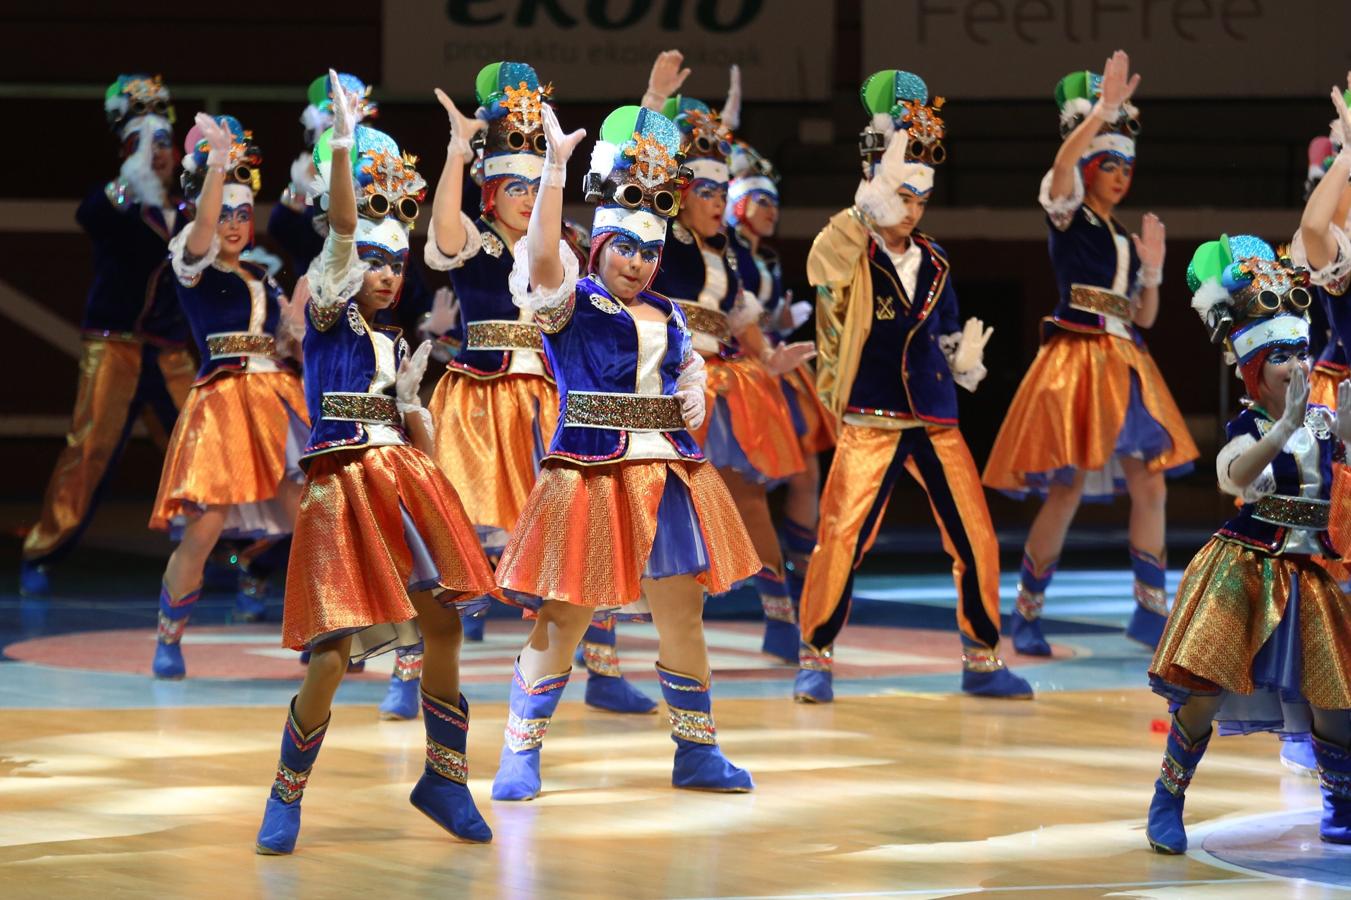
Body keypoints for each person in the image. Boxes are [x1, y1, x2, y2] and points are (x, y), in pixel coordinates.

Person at [489, 102, 762, 800]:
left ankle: (695, 751)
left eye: (648, 252)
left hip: (668, 472)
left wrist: (694, 382)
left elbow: (683, 367)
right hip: (591, 473)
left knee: (681, 613)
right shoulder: (569, 301)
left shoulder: (668, 313)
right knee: (566, 614)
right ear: (600, 245)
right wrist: (554, 170)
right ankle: (519, 751)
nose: (638, 263)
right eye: (625, 250)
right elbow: (543, 255)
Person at [255, 75, 498, 854]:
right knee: (330, 657)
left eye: (397, 263)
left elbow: (409, 433)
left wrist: (419, 420)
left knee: (443, 625)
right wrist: (340, 145)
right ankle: (285, 795)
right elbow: (338, 231)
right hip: (339, 490)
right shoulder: (326, 306)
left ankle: (444, 778)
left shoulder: (395, 342)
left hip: (399, 479)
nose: (388, 274)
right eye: (374, 260)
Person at [421, 61, 656, 716]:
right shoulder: (472, 242)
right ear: (488, 191)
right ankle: (413, 667)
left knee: (582, 528)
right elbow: (440, 231)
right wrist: (455, 150)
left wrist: (649, 105)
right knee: (455, 532)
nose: (527, 196)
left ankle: (602, 668)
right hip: (481, 400)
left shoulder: (562, 246)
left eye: (536, 184)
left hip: (553, 400)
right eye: (513, 185)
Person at [798, 69, 1031, 704]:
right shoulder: (849, 246)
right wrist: (858, 213)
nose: (913, 208)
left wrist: (965, 361)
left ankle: (982, 659)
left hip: (935, 414)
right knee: (842, 536)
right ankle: (815, 656)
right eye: (903, 195)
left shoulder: (937, 260)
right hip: (871, 415)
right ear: (878, 188)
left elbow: (949, 330)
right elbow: (820, 267)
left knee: (977, 537)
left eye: (920, 198)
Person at [983, 51, 1198, 654]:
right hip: (1078, 359)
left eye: (1124, 166)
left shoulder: (1125, 239)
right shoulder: (1068, 216)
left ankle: (1149, 611)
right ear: (1089, 167)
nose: (1119, 175)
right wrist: (1099, 117)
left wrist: (1152, 273)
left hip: (1127, 360)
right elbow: (1059, 169)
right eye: (1107, 164)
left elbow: (1145, 318)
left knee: (1151, 485)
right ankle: (1025, 613)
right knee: (1068, 487)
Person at [1146, 232, 1351, 853]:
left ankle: (1340, 803)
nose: (1297, 365)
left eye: (1301, 351)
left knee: (1334, 697)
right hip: (1243, 568)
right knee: (1205, 692)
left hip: (1307, 574)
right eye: (1282, 357)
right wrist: (1283, 428)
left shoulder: (1320, 420)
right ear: (1255, 370)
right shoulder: (1251, 426)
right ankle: (1168, 797)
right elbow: (1235, 478)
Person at [640, 58, 814, 664]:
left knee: (747, 497)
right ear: (681, 193)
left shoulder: (728, 249)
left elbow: (740, 316)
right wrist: (656, 101)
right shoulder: (658, 234)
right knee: (650, 499)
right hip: (662, 382)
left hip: (724, 381)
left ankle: (779, 617)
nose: (716, 202)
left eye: (721, 192)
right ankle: (615, 621)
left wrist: (772, 357)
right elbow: (643, 158)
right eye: (705, 191)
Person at [21, 74, 195, 597]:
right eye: (144, 143)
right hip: (114, 344)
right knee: (90, 447)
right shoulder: (115, 201)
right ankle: (43, 549)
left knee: (201, 445)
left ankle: (225, 550)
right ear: (126, 149)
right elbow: (90, 216)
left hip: (169, 349)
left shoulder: (189, 211)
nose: (157, 153)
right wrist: (129, 180)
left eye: (164, 142)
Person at [150, 113, 309, 679]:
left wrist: (298, 321)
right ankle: (168, 638)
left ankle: (321, 626)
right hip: (222, 402)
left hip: (275, 401)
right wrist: (217, 166)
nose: (235, 225)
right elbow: (199, 233)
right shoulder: (190, 264)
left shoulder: (262, 278)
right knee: (208, 523)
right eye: (225, 215)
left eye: (244, 214)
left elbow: (290, 342)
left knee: (306, 512)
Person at [725, 138, 835, 600]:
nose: (772, 212)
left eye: (775, 203)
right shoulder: (726, 248)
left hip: (776, 368)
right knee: (746, 481)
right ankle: (760, 578)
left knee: (807, 472)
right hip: (734, 370)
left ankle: (801, 567)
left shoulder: (766, 257)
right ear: (739, 203)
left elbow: (759, 314)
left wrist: (781, 322)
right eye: (762, 201)